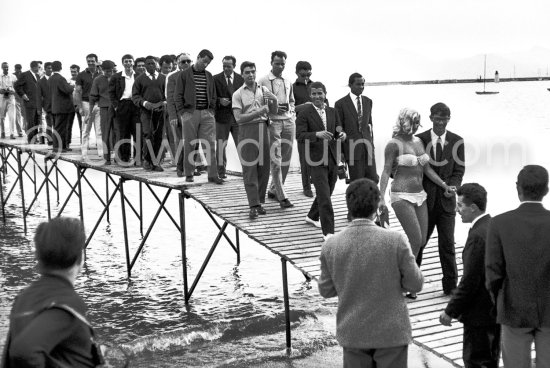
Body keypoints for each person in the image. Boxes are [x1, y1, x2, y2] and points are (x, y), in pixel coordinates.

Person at [318, 178, 423, 368]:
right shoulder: (395, 240)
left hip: (353, 333)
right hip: (391, 332)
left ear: (348, 206)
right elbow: (415, 284)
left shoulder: (331, 244)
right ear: (377, 206)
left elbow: (326, 290)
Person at [0, 217, 103, 367]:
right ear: (79, 258)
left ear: (40, 258)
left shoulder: (24, 297)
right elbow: (23, 350)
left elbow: (10, 357)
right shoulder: (68, 302)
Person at [378, 108, 453, 300]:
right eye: (410, 123)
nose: (413, 128)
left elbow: (427, 169)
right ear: (403, 123)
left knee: (421, 241)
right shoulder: (393, 144)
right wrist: (381, 199)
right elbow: (386, 171)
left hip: (420, 194)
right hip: (401, 194)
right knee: (416, 238)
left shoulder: (419, 142)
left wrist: (444, 185)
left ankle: (405, 280)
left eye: (416, 123)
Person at [486, 165, 550, 368]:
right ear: (546, 190)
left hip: (514, 308)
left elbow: (493, 271)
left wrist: (499, 301)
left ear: (517, 188)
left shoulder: (499, 223)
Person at [439, 183, 500, 368]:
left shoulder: (477, 237)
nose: (457, 210)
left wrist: (450, 311)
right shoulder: (494, 226)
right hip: (496, 311)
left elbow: (469, 281)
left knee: (476, 361)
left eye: (460, 205)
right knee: (492, 360)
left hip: (479, 316)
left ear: (473, 208)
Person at [416, 102, 465, 295]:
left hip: (446, 202)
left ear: (448, 119)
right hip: (424, 201)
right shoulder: (419, 139)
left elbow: (459, 171)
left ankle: (450, 287)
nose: (440, 123)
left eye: (444, 119)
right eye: (437, 119)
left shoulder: (457, 141)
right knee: (419, 242)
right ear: (431, 119)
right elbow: (414, 170)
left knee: (448, 244)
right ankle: (411, 281)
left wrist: (453, 187)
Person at [296, 81, 346, 239]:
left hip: (332, 158)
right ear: (310, 96)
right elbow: (300, 136)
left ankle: (312, 216)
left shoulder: (332, 111)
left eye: (320, 93)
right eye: (314, 94)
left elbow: (337, 128)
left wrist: (342, 133)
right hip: (315, 159)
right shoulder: (304, 113)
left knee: (328, 191)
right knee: (324, 197)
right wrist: (317, 134)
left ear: (325, 94)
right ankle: (329, 233)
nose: (317, 96)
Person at [232, 61, 278, 219]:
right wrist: (259, 111)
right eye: (247, 72)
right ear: (242, 74)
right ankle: (253, 204)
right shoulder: (238, 94)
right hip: (247, 129)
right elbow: (238, 119)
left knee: (264, 168)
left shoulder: (263, 89)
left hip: (263, 129)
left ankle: (259, 202)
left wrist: (273, 101)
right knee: (249, 168)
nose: (251, 74)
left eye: (253, 71)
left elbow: (274, 110)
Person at [174, 49, 223, 184]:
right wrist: (183, 112)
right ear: (198, 57)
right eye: (204, 61)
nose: (205, 64)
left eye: (208, 63)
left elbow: (213, 94)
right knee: (190, 144)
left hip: (207, 114)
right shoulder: (183, 75)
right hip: (190, 113)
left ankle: (212, 175)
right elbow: (177, 96)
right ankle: (189, 173)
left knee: (210, 145)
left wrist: (211, 110)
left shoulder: (208, 75)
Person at [259, 51, 295, 208]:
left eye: (283, 64)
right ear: (271, 63)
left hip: (288, 122)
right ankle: (282, 197)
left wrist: (291, 111)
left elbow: (292, 100)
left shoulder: (288, 80)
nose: (280, 66)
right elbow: (258, 103)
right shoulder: (263, 80)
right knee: (276, 159)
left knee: (286, 158)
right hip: (273, 122)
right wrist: (272, 109)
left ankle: (273, 189)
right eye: (277, 63)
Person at [335, 73, 378, 185]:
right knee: (357, 182)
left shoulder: (368, 101)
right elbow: (339, 128)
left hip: (368, 148)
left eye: (363, 84)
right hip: (352, 149)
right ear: (350, 85)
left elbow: (370, 125)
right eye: (358, 84)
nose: (361, 87)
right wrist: (341, 151)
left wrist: (372, 145)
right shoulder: (340, 104)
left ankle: (371, 202)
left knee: (373, 180)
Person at [132, 55, 166, 172]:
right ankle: (146, 159)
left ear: (157, 64)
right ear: (145, 66)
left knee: (159, 136)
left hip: (160, 111)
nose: (151, 66)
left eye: (153, 63)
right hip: (146, 111)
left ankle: (155, 163)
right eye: (148, 64)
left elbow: (168, 94)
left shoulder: (163, 78)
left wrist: (164, 102)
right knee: (148, 134)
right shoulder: (139, 79)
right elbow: (135, 96)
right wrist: (144, 103)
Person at [214, 55, 244, 179]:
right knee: (221, 146)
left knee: (242, 145)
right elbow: (211, 96)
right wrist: (219, 101)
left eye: (228, 66)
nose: (226, 68)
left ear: (234, 66)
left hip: (237, 117)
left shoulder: (240, 79)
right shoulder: (215, 78)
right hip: (221, 117)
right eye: (224, 66)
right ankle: (221, 172)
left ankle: (247, 172)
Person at [110, 54, 140, 165]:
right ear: (123, 63)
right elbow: (111, 93)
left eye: (130, 61)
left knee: (137, 131)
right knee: (124, 132)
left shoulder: (139, 76)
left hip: (135, 105)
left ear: (133, 63)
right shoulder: (116, 77)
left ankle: (138, 158)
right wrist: (116, 105)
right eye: (126, 61)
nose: (128, 63)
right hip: (122, 105)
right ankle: (124, 158)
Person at [166, 52, 192, 176]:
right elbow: (170, 98)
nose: (186, 63)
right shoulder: (172, 77)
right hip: (180, 114)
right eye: (183, 61)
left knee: (194, 141)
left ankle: (191, 167)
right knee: (182, 141)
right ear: (178, 63)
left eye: (188, 61)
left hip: (195, 113)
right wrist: (172, 115)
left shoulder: (197, 75)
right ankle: (180, 167)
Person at [293, 61, 314, 197]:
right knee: (304, 159)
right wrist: (304, 106)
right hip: (301, 127)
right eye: (303, 74)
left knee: (318, 156)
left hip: (317, 125)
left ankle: (316, 181)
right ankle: (306, 187)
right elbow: (289, 109)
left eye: (309, 74)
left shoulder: (316, 86)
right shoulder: (292, 87)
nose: (306, 77)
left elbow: (326, 102)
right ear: (296, 73)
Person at [89, 60, 115, 163]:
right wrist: (90, 112)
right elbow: (92, 96)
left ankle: (119, 156)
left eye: (111, 71)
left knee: (118, 132)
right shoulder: (98, 80)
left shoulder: (117, 78)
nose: (109, 73)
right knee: (105, 132)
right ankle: (106, 157)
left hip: (117, 107)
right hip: (104, 108)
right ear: (102, 70)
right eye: (107, 71)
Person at [74, 53, 100, 152]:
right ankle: (84, 152)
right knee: (86, 130)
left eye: (92, 61)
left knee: (99, 130)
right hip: (86, 104)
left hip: (98, 104)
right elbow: (77, 92)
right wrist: (80, 107)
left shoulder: (101, 74)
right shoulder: (81, 75)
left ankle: (101, 154)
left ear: (96, 61)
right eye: (88, 61)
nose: (90, 63)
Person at [48, 61, 74, 154]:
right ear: (60, 67)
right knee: (60, 128)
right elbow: (67, 90)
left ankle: (59, 146)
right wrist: (72, 86)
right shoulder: (60, 78)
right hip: (63, 108)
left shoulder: (50, 78)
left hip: (55, 107)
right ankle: (59, 147)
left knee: (57, 127)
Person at [14, 61, 42, 143]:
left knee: (37, 121)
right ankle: (30, 139)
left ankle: (35, 138)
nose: (39, 69)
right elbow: (16, 85)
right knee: (30, 121)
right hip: (29, 102)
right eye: (39, 67)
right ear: (34, 67)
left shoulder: (37, 75)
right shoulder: (25, 75)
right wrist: (23, 95)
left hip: (37, 102)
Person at [0, 62, 18, 139]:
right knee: (1, 116)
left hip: (11, 97)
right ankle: (3, 132)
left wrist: (12, 90)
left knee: (12, 116)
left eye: (7, 67)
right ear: (1, 68)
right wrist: (1, 90)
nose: (6, 69)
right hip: (2, 97)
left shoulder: (13, 77)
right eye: (4, 67)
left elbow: (17, 88)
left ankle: (12, 133)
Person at [38, 63, 53, 145]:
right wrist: (39, 108)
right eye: (48, 68)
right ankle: (50, 141)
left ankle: (57, 140)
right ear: (45, 69)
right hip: (47, 105)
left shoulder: (56, 78)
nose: (50, 70)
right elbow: (39, 96)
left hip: (57, 105)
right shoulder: (41, 81)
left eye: (51, 68)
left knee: (58, 124)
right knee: (49, 123)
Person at [68, 64, 83, 146]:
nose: (73, 73)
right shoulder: (67, 81)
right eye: (71, 71)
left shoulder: (81, 81)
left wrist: (79, 105)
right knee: (68, 125)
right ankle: (67, 142)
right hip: (70, 106)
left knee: (82, 125)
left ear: (78, 71)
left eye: (74, 71)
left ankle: (82, 142)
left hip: (79, 105)